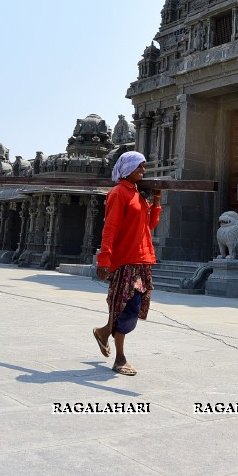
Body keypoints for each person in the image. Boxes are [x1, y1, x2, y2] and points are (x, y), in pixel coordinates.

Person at [92, 151, 161, 376]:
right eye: (139, 167)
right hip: (124, 261)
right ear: (127, 168)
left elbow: (149, 225)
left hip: (142, 259)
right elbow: (109, 229)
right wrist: (104, 259)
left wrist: (157, 200)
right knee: (124, 307)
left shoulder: (139, 195)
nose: (143, 171)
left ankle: (103, 332)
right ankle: (120, 358)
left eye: (144, 167)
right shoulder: (118, 193)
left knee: (135, 306)